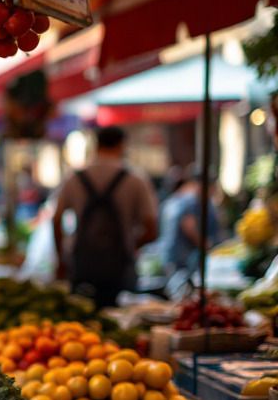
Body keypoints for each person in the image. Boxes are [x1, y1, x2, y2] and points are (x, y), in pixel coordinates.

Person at [52, 126, 158, 308]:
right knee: (121, 319)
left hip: (82, 268)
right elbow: (152, 231)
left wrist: (61, 259)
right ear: (121, 145)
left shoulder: (74, 179)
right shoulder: (136, 180)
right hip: (120, 271)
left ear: (96, 144)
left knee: (81, 317)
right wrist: (130, 246)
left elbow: (56, 220)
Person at [158, 167, 219, 273]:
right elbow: (188, 226)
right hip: (183, 258)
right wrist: (206, 245)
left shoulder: (196, 199)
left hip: (182, 256)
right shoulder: (192, 200)